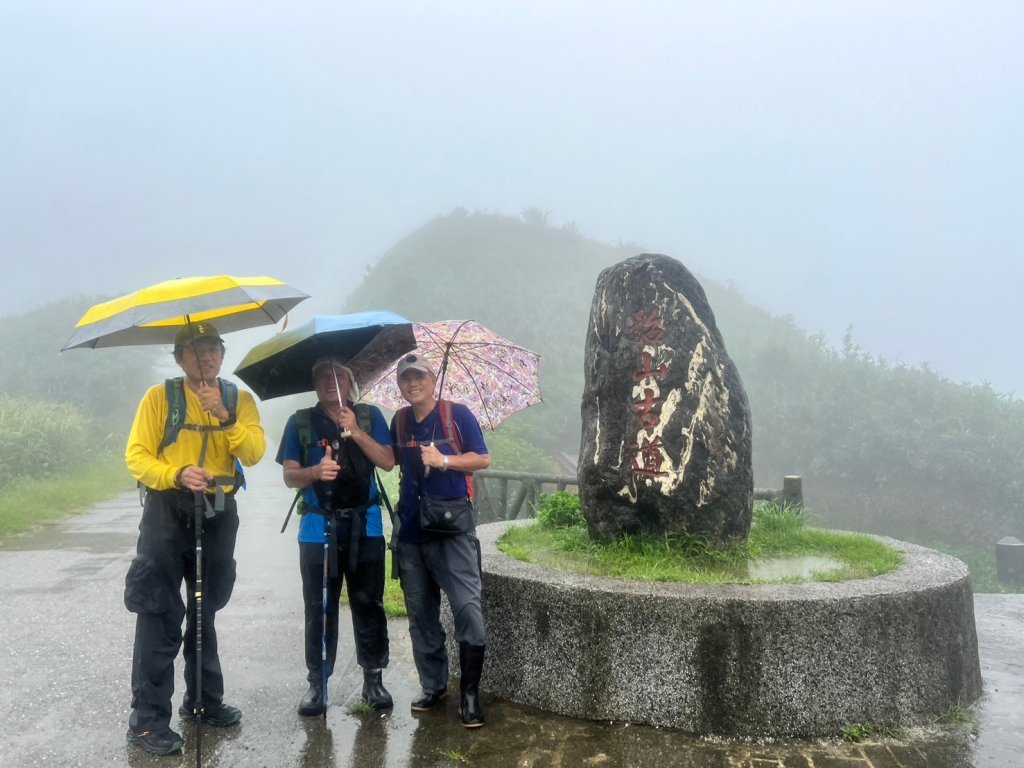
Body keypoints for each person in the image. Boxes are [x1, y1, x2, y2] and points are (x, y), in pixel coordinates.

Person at [123, 322, 266, 756]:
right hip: (167, 514)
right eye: (195, 349)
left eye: (212, 349)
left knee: (206, 609)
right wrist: (176, 474)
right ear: (180, 357)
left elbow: (255, 453)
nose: (205, 357)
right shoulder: (159, 399)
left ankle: (203, 701)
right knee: (160, 613)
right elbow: (137, 457)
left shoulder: (239, 399)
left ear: (222, 355)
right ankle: (147, 723)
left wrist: (225, 416)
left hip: (219, 515)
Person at [277, 356, 396, 716]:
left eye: (338, 376)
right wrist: (315, 471)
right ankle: (318, 682)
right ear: (314, 384)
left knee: (369, 602)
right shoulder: (299, 422)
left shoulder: (370, 417)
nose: (331, 382)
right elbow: (289, 475)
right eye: (322, 376)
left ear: (350, 383)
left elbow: (388, 461)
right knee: (319, 607)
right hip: (318, 529)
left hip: (366, 524)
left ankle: (373, 679)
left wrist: (356, 432)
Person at [390, 353, 491, 728]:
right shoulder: (399, 421)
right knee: (420, 615)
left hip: (453, 532)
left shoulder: (457, 414)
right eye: (406, 379)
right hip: (412, 533)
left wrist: (445, 460)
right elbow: (389, 461)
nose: (412, 383)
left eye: (419, 376)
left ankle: (469, 693)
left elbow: (482, 459)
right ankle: (434, 685)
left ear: (433, 380)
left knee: (467, 608)